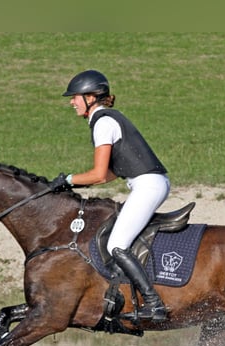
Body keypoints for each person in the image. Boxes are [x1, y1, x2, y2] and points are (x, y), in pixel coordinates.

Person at [50, 70, 170, 322]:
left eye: (75, 97)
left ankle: (154, 304)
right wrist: (74, 184)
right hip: (149, 183)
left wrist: (69, 179)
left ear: (91, 97)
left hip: (148, 185)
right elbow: (108, 175)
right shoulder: (109, 118)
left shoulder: (103, 123)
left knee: (116, 245)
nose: (72, 102)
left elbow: (98, 173)